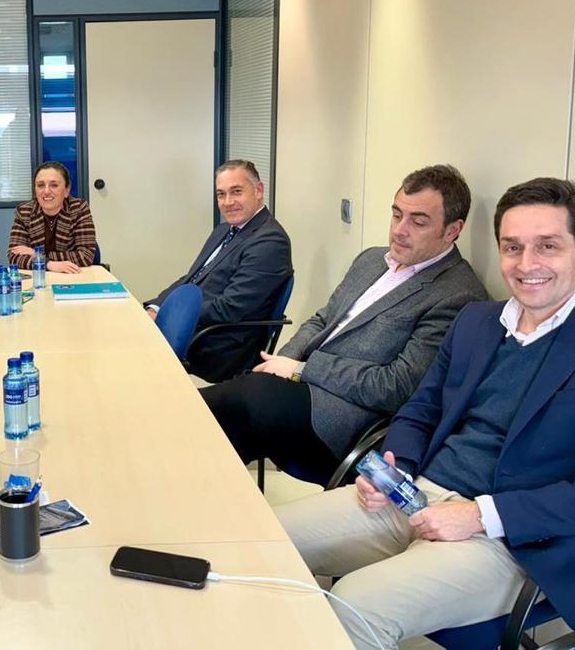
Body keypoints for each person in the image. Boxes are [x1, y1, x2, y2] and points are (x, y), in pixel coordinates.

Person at [277, 178, 575, 650]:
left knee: (353, 605)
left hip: (519, 539)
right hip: (415, 496)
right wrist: (395, 467)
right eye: (512, 247)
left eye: (548, 246)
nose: (527, 264)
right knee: (261, 541)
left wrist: (480, 515)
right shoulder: (477, 321)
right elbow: (421, 409)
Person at [202, 164, 487, 479]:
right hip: (295, 389)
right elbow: (324, 318)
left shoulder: (457, 295)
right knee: (221, 424)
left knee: (238, 404)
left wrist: (302, 369)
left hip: (344, 417)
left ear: (453, 230)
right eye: (396, 215)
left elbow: (396, 387)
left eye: (417, 222)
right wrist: (283, 361)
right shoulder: (372, 259)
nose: (399, 230)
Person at [145, 160, 292, 382]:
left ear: (259, 190)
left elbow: (230, 307)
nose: (228, 202)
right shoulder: (224, 229)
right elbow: (191, 279)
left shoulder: (269, 241)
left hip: (219, 342)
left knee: (133, 352)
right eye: (221, 194)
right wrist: (156, 306)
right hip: (195, 327)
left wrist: (170, 315)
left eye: (237, 191)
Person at [7, 161, 96, 272]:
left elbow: (86, 256)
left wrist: (37, 254)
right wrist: (49, 264)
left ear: (66, 190)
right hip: (39, 278)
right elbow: (14, 256)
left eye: (54, 185)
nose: (46, 191)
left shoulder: (78, 209)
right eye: (40, 185)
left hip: (73, 275)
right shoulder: (24, 211)